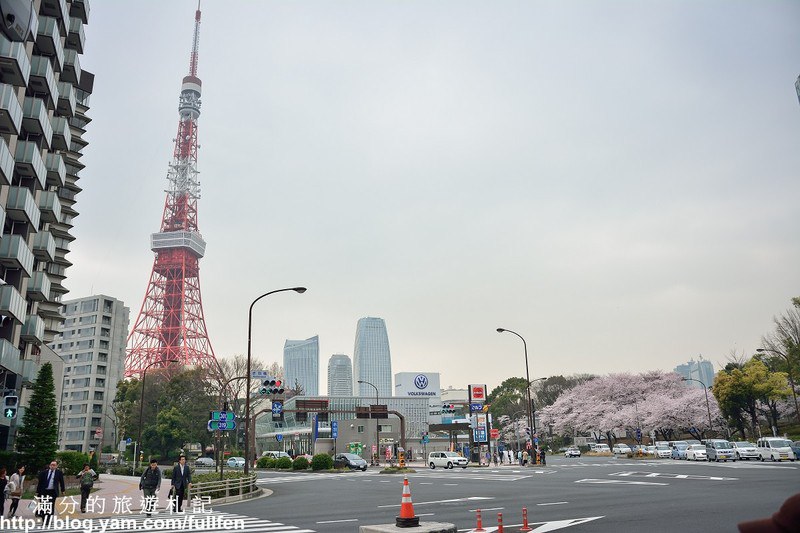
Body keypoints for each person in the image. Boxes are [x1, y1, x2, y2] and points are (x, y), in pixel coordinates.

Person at [36, 460, 65, 526]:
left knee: (50, 506)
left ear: (56, 466)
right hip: (44, 492)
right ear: (49, 465)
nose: (52, 466)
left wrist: (63, 490)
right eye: (51, 465)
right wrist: (37, 492)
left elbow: (62, 482)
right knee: (43, 506)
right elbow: (40, 483)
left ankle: (48, 520)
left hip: (52, 492)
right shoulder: (44, 473)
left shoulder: (59, 473)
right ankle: (44, 519)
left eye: (54, 465)